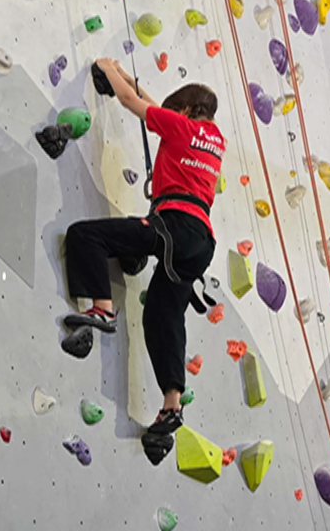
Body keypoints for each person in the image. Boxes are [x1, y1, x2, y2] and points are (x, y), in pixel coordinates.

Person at [62, 58, 225, 462]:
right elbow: (153, 105)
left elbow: (131, 102)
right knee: (161, 315)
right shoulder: (213, 139)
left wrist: (108, 68)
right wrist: (130, 79)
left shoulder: (182, 126)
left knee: (86, 236)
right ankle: (172, 402)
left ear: (185, 111)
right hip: (201, 243)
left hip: (172, 226)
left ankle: (103, 309)